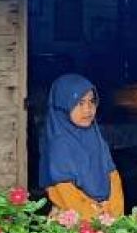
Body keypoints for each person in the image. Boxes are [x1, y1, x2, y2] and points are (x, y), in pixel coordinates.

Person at [39, 73, 124, 220]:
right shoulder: (59, 145)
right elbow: (62, 190)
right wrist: (97, 218)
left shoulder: (96, 137)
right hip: (74, 223)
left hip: (107, 218)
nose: (88, 109)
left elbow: (113, 176)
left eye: (92, 101)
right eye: (79, 103)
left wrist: (113, 214)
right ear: (63, 106)